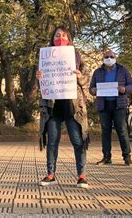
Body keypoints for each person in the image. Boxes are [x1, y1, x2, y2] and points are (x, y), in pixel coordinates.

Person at [37, 26, 90, 189]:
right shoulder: (45, 57)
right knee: (52, 141)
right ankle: (50, 174)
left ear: (69, 39)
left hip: (73, 106)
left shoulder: (77, 56)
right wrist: (38, 78)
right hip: (52, 106)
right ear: (52, 39)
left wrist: (80, 77)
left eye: (64, 35)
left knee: (77, 141)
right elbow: (39, 84)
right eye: (57, 35)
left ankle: (82, 176)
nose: (61, 37)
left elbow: (87, 79)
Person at [89, 50, 132, 166]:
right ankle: (106, 157)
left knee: (122, 130)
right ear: (103, 59)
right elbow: (91, 88)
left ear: (115, 58)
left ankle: (127, 157)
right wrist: (93, 91)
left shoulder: (123, 70)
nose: (109, 58)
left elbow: (131, 85)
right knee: (105, 131)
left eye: (111, 56)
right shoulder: (97, 72)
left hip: (119, 104)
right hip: (104, 105)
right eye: (106, 57)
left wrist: (125, 89)